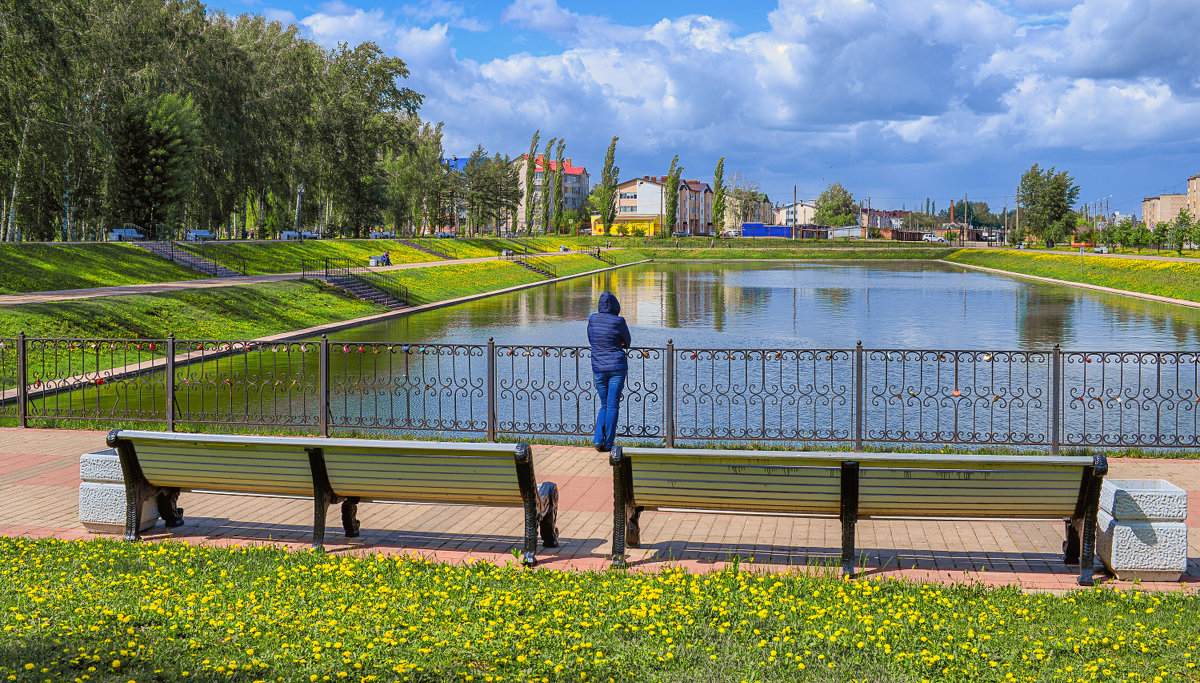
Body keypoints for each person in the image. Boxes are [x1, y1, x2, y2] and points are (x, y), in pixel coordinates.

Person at [587, 291, 631, 452]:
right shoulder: (619, 321)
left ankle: (598, 440)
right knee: (612, 406)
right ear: (615, 305)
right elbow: (628, 342)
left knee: (604, 405)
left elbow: (591, 339)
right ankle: (609, 443)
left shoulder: (592, 319)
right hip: (617, 368)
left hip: (598, 367)